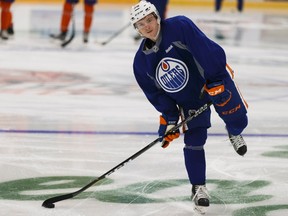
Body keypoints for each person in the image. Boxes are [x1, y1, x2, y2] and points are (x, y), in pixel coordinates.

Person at [130, 0, 248, 211]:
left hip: (213, 81)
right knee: (194, 140)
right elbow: (156, 94)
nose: (147, 26)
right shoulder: (141, 63)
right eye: (141, 24)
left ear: (157, 17)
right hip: (190, 99)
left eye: (149, 20)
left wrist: (215, 81)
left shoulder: (180, 26)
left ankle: (234, 131)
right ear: (136, 29)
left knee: (238, 119)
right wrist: (170, 118)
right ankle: (198, 187)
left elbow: (207, 50)